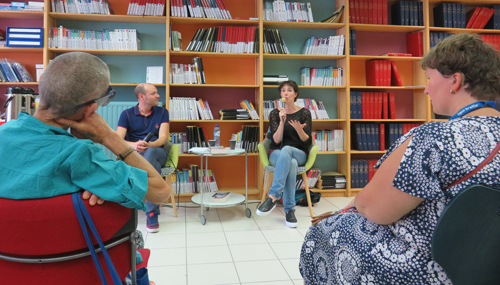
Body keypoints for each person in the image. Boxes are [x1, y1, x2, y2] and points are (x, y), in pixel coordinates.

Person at [299, 33, 500, 284]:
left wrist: (356, 202)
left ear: (455, 81)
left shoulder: (434, 138)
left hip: (435, 270)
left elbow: (375, 210)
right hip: (488, 265)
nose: (426, 88)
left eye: (429, 79)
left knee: (324, 232)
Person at [0, 52, 170, 213]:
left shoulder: (3, 131)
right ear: (89, 109)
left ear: (42, 81)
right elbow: (161, 192)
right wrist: (108, 137)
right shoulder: (80, 155)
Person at [256, 80, 312, 228]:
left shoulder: (305, 113)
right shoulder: (275, 113)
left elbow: (307, 142)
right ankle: (289, 211)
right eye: (283, 91)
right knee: (290, 162)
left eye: (289, 90)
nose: (285, 93)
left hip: (299, 152)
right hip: (277, 153)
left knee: (289, 151)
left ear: (296, 94)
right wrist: (282, 121)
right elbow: (275, 140)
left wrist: (299, 130)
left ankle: (273, 195)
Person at [116, 83, 170, 233]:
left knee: (151, 152)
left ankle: (139, 205)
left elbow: (163, 138)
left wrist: (149, 144)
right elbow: (118, 139)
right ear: (142, 96)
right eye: (154, 93)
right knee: (154, 167)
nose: (158, 95)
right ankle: (152, 214)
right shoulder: (126, 114)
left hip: (158, 153)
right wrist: (135, 145)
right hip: (136, 154)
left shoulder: (163, 112)